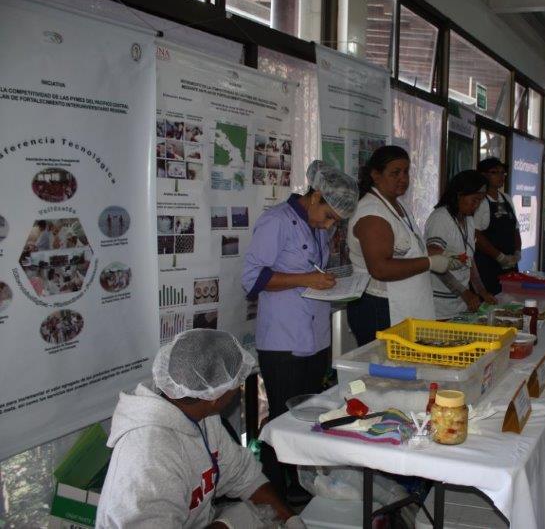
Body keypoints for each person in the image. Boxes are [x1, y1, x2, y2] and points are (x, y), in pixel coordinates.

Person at [95, 329, 303, 528]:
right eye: (237, 382)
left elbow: (243, 475)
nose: (239, 386)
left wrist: (291, 519)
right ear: (215, 398)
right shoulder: (149, 457)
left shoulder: (202, 414)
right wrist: (227, 525)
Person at [241, 160, 358, 500]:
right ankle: (274, 494)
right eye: (330, 216)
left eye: (336, 220)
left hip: (317, 337)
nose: (330, 224)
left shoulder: (318, 225)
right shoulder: (276, 221)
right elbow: (253, 279)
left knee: (309, 418)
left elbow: (314, 268)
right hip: (283, 340)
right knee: (282, 420)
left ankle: (302, 486)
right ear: (316, 196)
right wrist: (308, 279)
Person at [346, 146, 450, 345]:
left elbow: (402, 249)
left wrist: (428, 252)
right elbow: (380, 269)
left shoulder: (395, 203)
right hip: (380, 307)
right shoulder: (372, 214)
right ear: (376, 175)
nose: (403, 178)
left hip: (401, 303)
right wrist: (429, 262)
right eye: (395, 173)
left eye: (406, 172)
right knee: (385, 370)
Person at [425, 170, 497, 319]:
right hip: (439, 306)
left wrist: (481, 291)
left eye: (480, 201)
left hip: (460, 303)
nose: (476, 205)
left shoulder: (468, 220)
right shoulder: (440, 218)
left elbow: (469, 260)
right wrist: (464, 292)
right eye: (474, 200)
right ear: (459, 194)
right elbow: (434, 263)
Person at [473, 157, 522, 295]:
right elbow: (475, 234)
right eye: (495, 172)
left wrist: (517, 252)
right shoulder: (480, 201)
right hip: (488, 266)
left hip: (510, 266)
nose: (501, 176)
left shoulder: (506, 198)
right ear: (483, 175)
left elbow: (515, 228)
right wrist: (499, 257)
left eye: (502, 172)